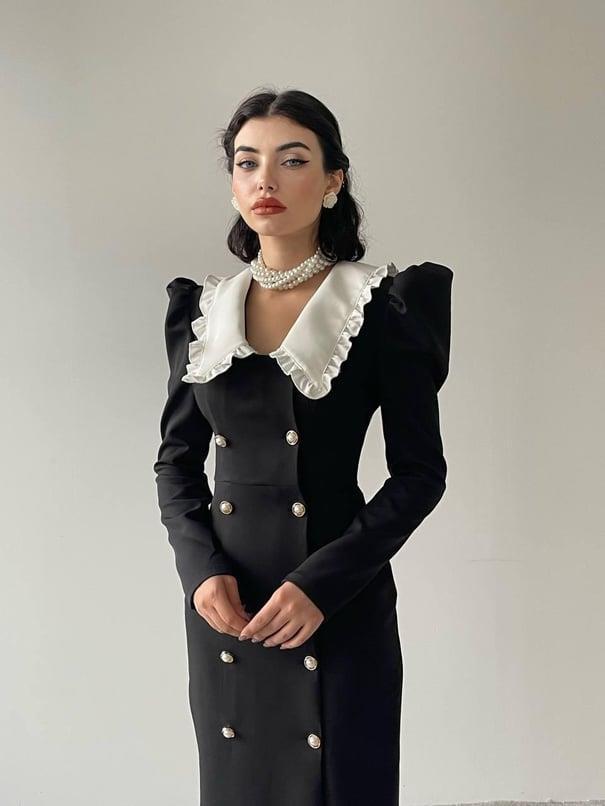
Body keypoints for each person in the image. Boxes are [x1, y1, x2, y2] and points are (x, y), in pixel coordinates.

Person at [153, 87, 453, 806]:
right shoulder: (205, 312)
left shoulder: (380, 306)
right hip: (229, 607)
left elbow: (419, 474)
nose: (266, 180)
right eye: (247, 162)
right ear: (233, 183)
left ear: (331, 180)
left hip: (336, 599)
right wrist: (200, 573)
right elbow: (176, 463)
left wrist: (320, 584)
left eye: (292, 161)